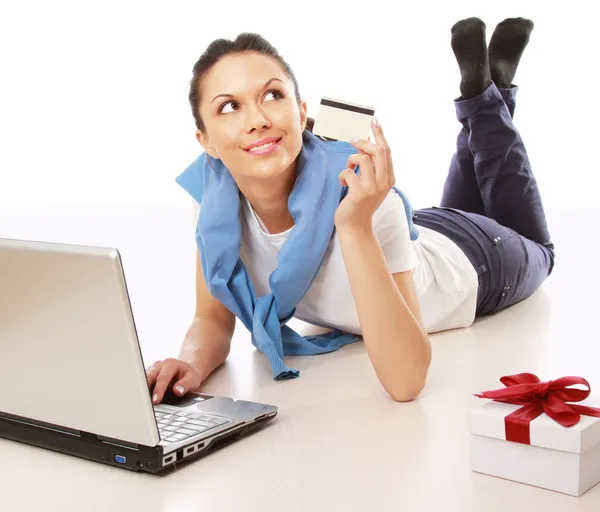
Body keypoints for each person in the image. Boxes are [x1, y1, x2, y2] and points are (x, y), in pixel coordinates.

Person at [147, 17, 555, 404]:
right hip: (416, 238)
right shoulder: (214, 205)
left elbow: (407, 382)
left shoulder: (362, 198)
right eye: (229, 107)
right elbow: (213, 319)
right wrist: (190, 363)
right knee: (470, 191)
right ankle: (489, 93)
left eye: (272, 95)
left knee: (541, 249)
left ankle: (485, 98)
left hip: (476, 262)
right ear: (206, 142)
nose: (256, 120)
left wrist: (355, 227)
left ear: (301, 111)